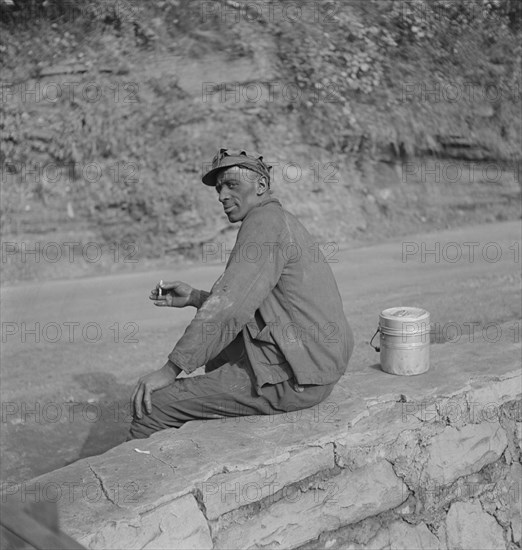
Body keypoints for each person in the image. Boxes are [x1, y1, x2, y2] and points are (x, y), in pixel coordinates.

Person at [128, 148, 354, 439]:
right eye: (219, 188)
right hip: (314, 366)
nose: (222, 195)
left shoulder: (264, 222)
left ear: (261, 186)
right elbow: (247, 299)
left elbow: (230, 308)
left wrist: (170, 370)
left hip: (296, 378)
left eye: (231, 185)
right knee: (220, 353)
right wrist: (195, 297)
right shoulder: (278, 219)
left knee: (154, 405)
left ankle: (141, 478)